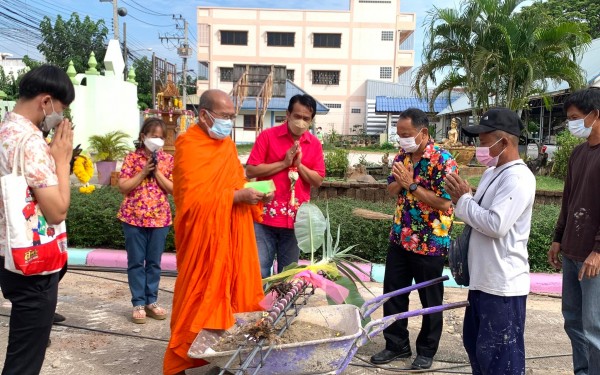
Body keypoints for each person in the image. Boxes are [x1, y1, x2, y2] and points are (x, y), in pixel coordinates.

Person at [163, 89, 270, 375]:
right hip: (203, 240)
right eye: (224, 116)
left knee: (233, 300)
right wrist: (236, 198)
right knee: (197, 300)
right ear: (204, 115)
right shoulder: (188, 145)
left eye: (232, 117)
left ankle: (225, 358)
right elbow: (190, 202)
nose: (229, 123)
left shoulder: (227, 146)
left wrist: (258, 193)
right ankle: (180, 360)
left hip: (232, 237)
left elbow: (236, 182)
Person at [445, 108, 536, 375]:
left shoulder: (518, 177)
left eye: (484, 143)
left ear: (504, 142)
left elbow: (496, 225)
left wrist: (463, 201)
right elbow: (478, 215)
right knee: (479, 352)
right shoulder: (492, 173)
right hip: (482, 283)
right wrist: (465, 200)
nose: (479, 149)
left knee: (500, 361)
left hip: (502, 287)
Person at [0, 65, 74, 374]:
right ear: (46, 102)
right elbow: (57, 210)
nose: (60, 117)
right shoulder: (31, 142)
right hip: (32, 261)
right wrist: (62, 160)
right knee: (24, 360)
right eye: (61, 109)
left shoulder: (5, 130)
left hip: (7, 252)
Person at [370, 108, 458, 370]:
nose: (402, 140)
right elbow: (390, 190)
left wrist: (411, 185)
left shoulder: (443, 160)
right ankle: (396, 344)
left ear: (424, 133)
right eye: (399, 135)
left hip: (430, 242)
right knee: (394, 293)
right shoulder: (401, 156)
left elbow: (445, 202)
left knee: (430, 300)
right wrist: (400, 180)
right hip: (400, 238)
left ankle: (426, 351)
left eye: (407, 135)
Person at [548, 88, 600, 375]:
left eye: (576, 118)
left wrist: (598, 250)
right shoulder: (579, 153)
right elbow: (568, 200)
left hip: (594, 257)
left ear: (595, 115)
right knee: (573, 320)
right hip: (572, 250)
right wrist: (558, 238)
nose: (571, 124)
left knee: (595, 326)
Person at [246, 94, 325, 278]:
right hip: (264, 218)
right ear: (287, 114)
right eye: (297, 116)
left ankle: (281, 308)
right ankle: (260, 307)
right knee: (260, 272)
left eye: (306, 118)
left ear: (311, 120)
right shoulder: (268, 136)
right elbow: (250, 170)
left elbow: (318, 180)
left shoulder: (314, 144)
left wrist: (299, 165)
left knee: (287, 276)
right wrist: (283, 163)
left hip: (296, 221)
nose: (301, 121)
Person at [117, 117, 173, 324]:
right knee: (136, 262)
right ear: (143, 137)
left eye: (161, 137)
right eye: (153, 136)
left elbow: (174, 189)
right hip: (133, 218)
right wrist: (143, 172)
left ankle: (152, 301)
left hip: (159, 219)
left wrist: (156, 172)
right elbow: (123, 186)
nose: (157, 140)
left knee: (154, 263)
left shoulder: (168, 160)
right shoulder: (132, 158)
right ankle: (138, 303)